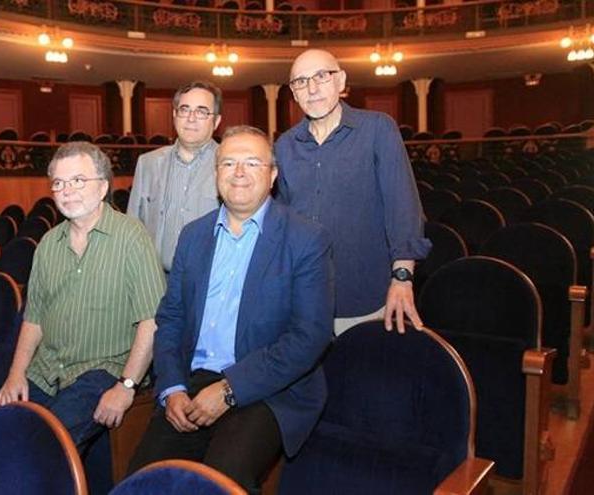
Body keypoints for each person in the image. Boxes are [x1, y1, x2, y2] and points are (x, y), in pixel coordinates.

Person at [128, 126, 334, 494]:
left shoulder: (306, 239)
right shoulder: (193, 235)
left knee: (222, 480)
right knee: (143, 480)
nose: (239, 172)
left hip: (269, 388)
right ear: (217, 174)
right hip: (192, 382)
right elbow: (171, 319)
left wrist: (229, 390)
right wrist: (172, 387)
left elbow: (309, 336)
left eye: (252, 162)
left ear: (272, 176)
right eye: (229, 163)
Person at [0, 141, 166, 454]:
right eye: (59, 183)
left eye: (78, 180)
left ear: (102, 187)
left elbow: (152, 321)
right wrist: (16, 374)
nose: (67, 190)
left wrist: (126, 386)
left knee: (42, 448)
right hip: (47, 370)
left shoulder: (132, 237)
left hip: (102, 371)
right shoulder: (48, 244)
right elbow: (34, 319)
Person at [275, 48, 431, 335]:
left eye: (321, 76)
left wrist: (402, 277)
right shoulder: (284, 146)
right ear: (294, 94)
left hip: (366, 297)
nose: (311, 88)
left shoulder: (378, 129)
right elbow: (281, 222)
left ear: (341, 80)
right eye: (300, 82)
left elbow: (403, 206)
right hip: (302, 300)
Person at [127, 81, 223, 272]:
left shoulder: (230, 165)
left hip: (208, 280)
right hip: (155, 281)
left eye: (202, 111)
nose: (191, 118)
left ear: (216, 121)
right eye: (184, 109)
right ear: (174, 115)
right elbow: (132, 226)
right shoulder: (148, 163)